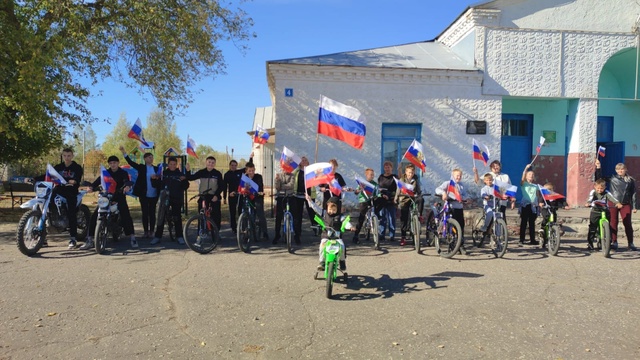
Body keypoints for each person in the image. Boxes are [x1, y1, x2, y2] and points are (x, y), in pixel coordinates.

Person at [81, 155, 137, 249]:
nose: (113, 165)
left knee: (126, 215)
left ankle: (132, 237)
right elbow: (96, 182)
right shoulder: (105, 173)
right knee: (94, 216)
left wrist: (127, 186)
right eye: (111, 163)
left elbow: (126, 181)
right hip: (106, 197)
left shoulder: (123, 173)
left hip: (119, 197)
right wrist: (91, 187)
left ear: (118, 163)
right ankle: (90, 239)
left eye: (114, 163)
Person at [34, 148, 83, 248]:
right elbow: (48, 175)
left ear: (72, 156)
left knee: (71, 211)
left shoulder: (77, 167)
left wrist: (74, 181)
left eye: (69, 155)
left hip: (71, 191)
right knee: (44, 207)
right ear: (62, 156)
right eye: (65, 155)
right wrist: (34, 178)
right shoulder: (58, 167)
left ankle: (73, 238)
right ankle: (43, 238)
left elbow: (78, 177)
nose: (67, 158)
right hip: (58, 190)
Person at [595, 160, 637, 251]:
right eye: (618, 169)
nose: (620, 171)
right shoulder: (613, 178)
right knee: (613, 223)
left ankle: (631, 243)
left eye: (622, 169)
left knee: (627, 224)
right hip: (613, 203)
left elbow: (633, 193)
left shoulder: (630, 180)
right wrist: (598, 167)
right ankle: (614, 242)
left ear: (625, 169)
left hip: (625, 203)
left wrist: (634, 206)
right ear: (616, 170)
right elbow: (599, 179)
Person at [120, 146, 160, 239]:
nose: (151, 159)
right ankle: (146, 231)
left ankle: (152, 231)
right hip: (144, 194)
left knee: (152, 213)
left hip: (154, 194)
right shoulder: (141, 167)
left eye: (152, 157)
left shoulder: (156, 168)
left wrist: (156, 178)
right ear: (145, 159)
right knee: (145, 213)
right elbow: (130, 162)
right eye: (149, 157)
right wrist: (124, 152)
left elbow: (160, 179)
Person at [306, 195, 351, 271]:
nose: (331, 211)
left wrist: (350, 227)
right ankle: (322, 262)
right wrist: (310, 201)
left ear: (338, 209)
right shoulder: (324, 213)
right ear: (327, 208)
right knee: (322, 247)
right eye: (330, 209)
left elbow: (346, 222)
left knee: (342, 247)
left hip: (337, 237)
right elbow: (316, 208)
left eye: (334, 210)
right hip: (326, 236)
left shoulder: (340, 216)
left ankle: (342, 261)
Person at [151, 157, 189, 245]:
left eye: (174, 164)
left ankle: (179, 236)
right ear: (168, 164)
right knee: (161, 217)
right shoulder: (163, 174)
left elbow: (186, 186)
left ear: (176, 165)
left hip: (177, 199)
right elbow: (156, 185)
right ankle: (157, 237)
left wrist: (184, 180)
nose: (172, 166)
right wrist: (153, 179)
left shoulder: (180, 174)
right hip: (164, 198)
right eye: (171, 164)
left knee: (177, 217)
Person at [435, 168, 469, 253]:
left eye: (460, 175)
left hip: (459, 207)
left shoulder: (462, 185)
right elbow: (438, 189)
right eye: (457, 175)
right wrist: (443, 193)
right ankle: (452, 243)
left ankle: (461, 244)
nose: (459, 177)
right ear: (453, 175)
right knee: (451, 226)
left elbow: (466, 195)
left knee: (461, 226)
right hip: (450, 207)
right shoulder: (448, 183)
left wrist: (464, 198)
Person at [186, 156, 225, 230]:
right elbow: (190, 178)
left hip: (213, 196)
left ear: (215, 164)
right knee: (201, 215)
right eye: (209, 162)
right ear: (206, 163)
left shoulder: (217, 174)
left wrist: (216, 195)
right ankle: (201, 233)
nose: (211, 164)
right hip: (203, 196)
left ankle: (216, 232)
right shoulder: (201, 172)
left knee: (216, 215)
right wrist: (188, 171)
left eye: (213, 163)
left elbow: (221, 186)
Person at [584, 179, 622, 251]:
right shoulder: (593, 192)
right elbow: (590, 198)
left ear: (605, 187)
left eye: (601, 188)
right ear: (595, 187)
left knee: (608, 227)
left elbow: (612, 198)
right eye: (598, 188)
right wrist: (588, 203)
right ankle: (590, 243)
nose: (599, 190)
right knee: (592, 227)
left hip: (605, 210)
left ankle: (608, 243)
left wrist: (617, 203)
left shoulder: (607, 193)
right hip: (595, 211)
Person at [222, 153, 253, 234]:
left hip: (240, 194)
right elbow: (224, 186)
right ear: (229, 165)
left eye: (235, 165)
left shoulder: (239, 172)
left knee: (241, 211)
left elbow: (248, 167)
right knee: (232, 212)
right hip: (232, 195)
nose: (233, 166)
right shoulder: (226, 175)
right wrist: (224, 197)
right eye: (232, 165)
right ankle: (233, 228)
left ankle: (241, 226)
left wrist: (250, 158)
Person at [238, 162, 269, 241]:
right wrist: (236, 191)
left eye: (253, 170)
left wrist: (260, 192)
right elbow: (240, 187)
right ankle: (245, 232)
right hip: (247, 197)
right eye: (250, 171)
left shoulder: (258, 177)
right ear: (246, 171)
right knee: (244, 213)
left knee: (260, 213)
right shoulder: (244, 177)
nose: (251, 172)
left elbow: (260, 186)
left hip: (257, 197)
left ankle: (265, 232)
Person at [395, 164, 422, 247]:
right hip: (404, 199)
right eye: (409, 172)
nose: (411, 174)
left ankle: (419, 216)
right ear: (406, 172)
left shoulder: (415, 179)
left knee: (421, 200)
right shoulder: (402, 179)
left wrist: (419, 194)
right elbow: (398, 190)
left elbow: (418, 190)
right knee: (404, 218)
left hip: (413, 198)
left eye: (412, 172)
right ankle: (403, 237)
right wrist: (396, 198)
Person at [292, 156, 318, 241]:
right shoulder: (297, 171)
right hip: (298, 195)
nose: (303, 161)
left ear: (308, 162)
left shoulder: (311, 171)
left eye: (305, 160)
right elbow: (291, 176)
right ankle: (297, 232)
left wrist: (315, 171)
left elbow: (317, 179)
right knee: (298, 214)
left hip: (309, 195)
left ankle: (316, 229)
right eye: (302, 160)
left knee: (312, 213)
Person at [538, 182, 570, 249]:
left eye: (549, 189)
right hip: (545, 210)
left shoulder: (556, 196)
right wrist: (541, 204)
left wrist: (565, 205)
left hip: (552, 210)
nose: (548, 191)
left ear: (553, 189)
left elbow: (562, 200)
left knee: (554, 221)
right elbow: (540, 201)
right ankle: (542, 228)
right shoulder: (544, 196)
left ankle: (554, 233)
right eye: (546, 189)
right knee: (546, 217)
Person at [352, 168, 380, 244]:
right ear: (366, 175)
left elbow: (378, 192)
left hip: (371, 199)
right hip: (364, 200)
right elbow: (356, 192)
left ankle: (376, 225)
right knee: (361, 217)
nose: (372, 176)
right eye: (370, 174)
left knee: (378, 205)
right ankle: (356, 235)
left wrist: (380, 195)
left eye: (373, 175)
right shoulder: (362, 183)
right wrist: (359, 190)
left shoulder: (375, 184)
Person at [518, 164, 542, 246]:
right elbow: (522, 178)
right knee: (524, 222)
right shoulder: (524, 184)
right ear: (526, 176)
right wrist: (526, 168)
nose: (531, 176)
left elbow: (540, 194)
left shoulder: (536, 186)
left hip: (533, 206)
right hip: (526, 205)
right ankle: (521, 239)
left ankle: (532, 239)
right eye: (529, 174)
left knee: (532, 223)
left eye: (532, 175)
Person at [273, 166, 295, 244]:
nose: (285, 170)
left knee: (292, 215)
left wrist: (282, 187)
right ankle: (277, 235)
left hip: (290, 197)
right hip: (281, 197)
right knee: (278, 217)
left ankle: (293, 234)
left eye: (287, 168)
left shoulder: (292, 175)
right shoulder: (279, 175)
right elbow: (277, 187)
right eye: (284, 168)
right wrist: (277, 180)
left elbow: (291, 185)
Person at [377, 161, 398, 242]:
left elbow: (398, 187)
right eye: (385, 167)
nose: (387, 169)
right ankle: (382, 234)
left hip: (391, 199)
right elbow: (378, 187)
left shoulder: (394, 177)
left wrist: (394, 197)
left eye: (388, 167)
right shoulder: (381, 177)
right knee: (382, 217)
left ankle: (392, 235)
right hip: (382, 199)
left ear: (391, 168)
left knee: (391, 218)